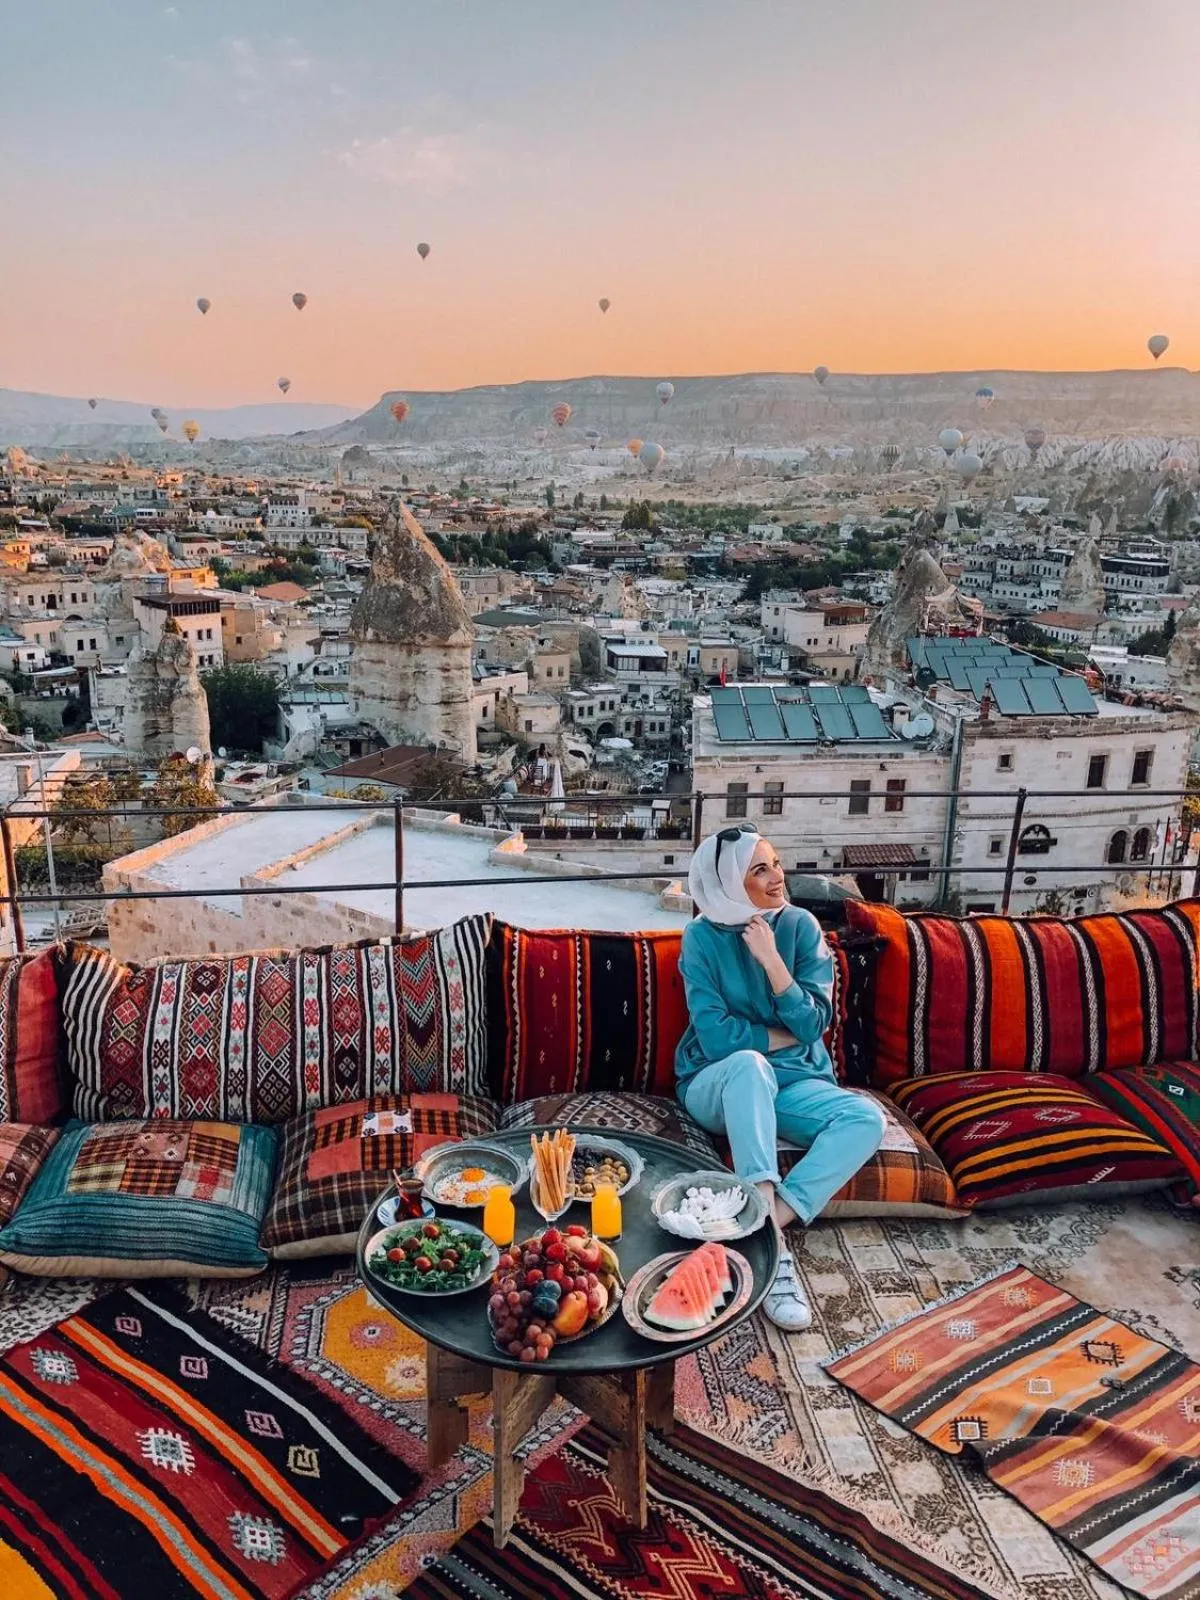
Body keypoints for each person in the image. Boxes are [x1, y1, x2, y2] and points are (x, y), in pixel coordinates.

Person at [675, 823, 886, 1331]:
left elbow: (816, 1022)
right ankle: (778, 1258)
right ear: (727, 882)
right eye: (759, 869)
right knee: (749, 1065)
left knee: (865, 1118)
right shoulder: (700, 939)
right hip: (715, 1083)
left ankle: (765, 1223)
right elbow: (719, 1041)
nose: (778, 877)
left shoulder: (800, 928)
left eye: (776, 863)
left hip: (794, 1085)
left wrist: (772, 961)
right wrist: (787, 1033)